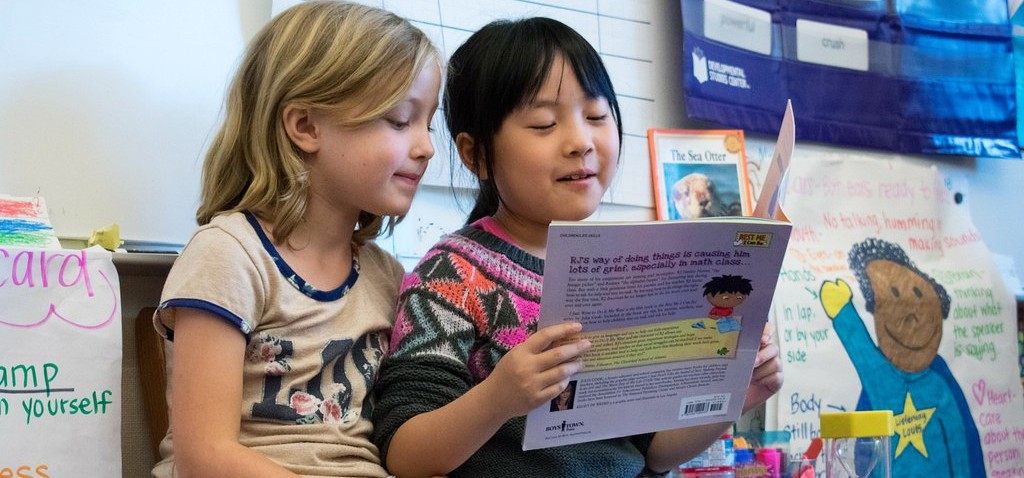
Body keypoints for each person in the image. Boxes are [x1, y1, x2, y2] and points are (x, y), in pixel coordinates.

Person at [372, 17, 783, 478]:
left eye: (595, 116)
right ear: (476, 154)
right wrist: (500, 396)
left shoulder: (636, 271)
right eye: (544, 123)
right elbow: (405, 453)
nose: (581, 143)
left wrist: (732, 394)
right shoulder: (452, 275)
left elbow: (654, 450)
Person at [150, 2, 440, 477]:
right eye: (400, 119)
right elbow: (205, 455)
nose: (426, 145)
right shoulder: (228, 255)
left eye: (428, 121)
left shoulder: (388, 276)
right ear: (305, 126)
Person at [820, 238, 984, 477]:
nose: (912, 317)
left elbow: (963, 440)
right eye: (893, 295)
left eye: (919, 294)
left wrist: (843, 313)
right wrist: (844, 315)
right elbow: (865, 356)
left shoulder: (938, 377)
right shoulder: (882, 381)